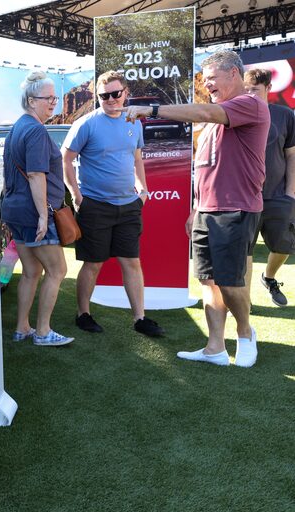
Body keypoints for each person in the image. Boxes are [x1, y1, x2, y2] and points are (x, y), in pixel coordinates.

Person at [124, 51, 270, 367]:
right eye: (204, 80)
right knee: (208, 281)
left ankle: (245, 333)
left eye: (212, 78)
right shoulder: (214, 122)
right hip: (207, 211)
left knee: (230, 283)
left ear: (234, 74)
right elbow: (205, 169)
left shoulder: (249, 104)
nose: (207, 85)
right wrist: (195, 209)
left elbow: (204, 111)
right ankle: (214, 348)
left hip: (235, 208)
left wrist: (151, 109)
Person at [61, 71, 165, 338]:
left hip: (129, 205)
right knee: (93, 263)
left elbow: (137, 158)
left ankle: (139, 318)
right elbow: (65, 159)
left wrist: (143, 188)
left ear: (125, 93)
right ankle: (83, 314)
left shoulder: (134, 122)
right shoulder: (86, 124)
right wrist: (76, 195)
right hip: (95, 206)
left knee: (132, 262)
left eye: (116, 94)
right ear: (98, 97)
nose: (111, 99)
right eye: (104, 95)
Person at [2, 71, 74, 346]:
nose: (53, 102)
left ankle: (23, 328)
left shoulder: (19, 127)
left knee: (32, 271)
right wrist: (44, 215)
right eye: (48, 98)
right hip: (34, 213)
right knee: (57, 271)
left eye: (55, 97)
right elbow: (35, 175)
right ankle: (43, 332)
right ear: (32, 100)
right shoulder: (34, 130)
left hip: (16, 211)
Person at [243, 68, 295, 307]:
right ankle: (245, 301)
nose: (250, 94)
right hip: (244, 196)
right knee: (246, 251)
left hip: (278, 195)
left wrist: (291, 192)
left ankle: (270, 277)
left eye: (255, 89)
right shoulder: (237, 114)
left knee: (284, 246)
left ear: (268, 89)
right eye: (246, 89)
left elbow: (292, 155)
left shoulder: (285, 115)